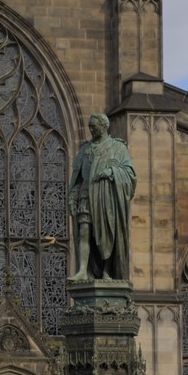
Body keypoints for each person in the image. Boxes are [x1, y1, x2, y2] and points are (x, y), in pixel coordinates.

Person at [68, 112, 137, 283]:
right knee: (84, 232)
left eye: (94, 126)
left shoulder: (118, 147)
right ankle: (83, 270)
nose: (90, 129)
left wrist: (112, 172)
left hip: (106, 197)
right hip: (86, 195)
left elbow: (130, 173)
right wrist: (72, 197)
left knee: (107, 234)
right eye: (89, 126)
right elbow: (77, 179)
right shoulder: (84, 149)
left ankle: (107, 271)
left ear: (104, 126)